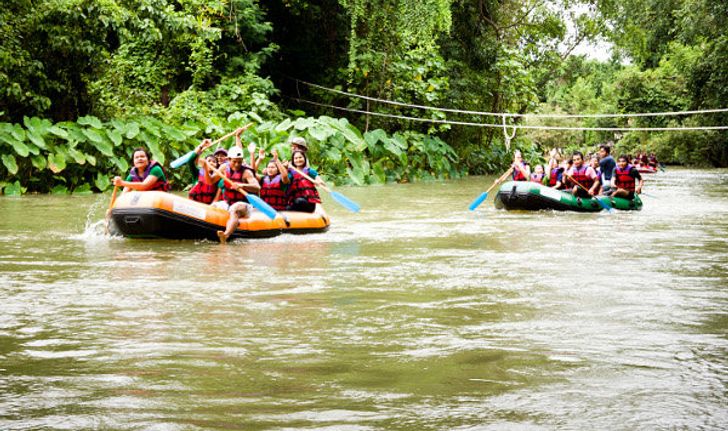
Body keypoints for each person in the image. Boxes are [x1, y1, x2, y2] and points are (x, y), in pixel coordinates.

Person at [212, 145, 261, 243]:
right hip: (228, 202)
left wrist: (242, 185)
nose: (237, 164)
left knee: (235, 210)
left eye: (240, 161)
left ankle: (226, 235)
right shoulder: (224, 168)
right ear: (229, 159)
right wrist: (205, 166)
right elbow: (211, 180)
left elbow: (257, 187)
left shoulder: (246, 172)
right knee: (214, 206)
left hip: (244, 204)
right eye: (234, 161)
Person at [186, 139, 221, 204]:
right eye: (209, 161)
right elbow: (191, 160)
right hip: (195, 203)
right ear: (204, 162)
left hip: (208, 206)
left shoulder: (217, 177)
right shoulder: (197, 172)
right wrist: (202, 145)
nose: (211, 163)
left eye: (214, 162)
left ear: (217, 166)